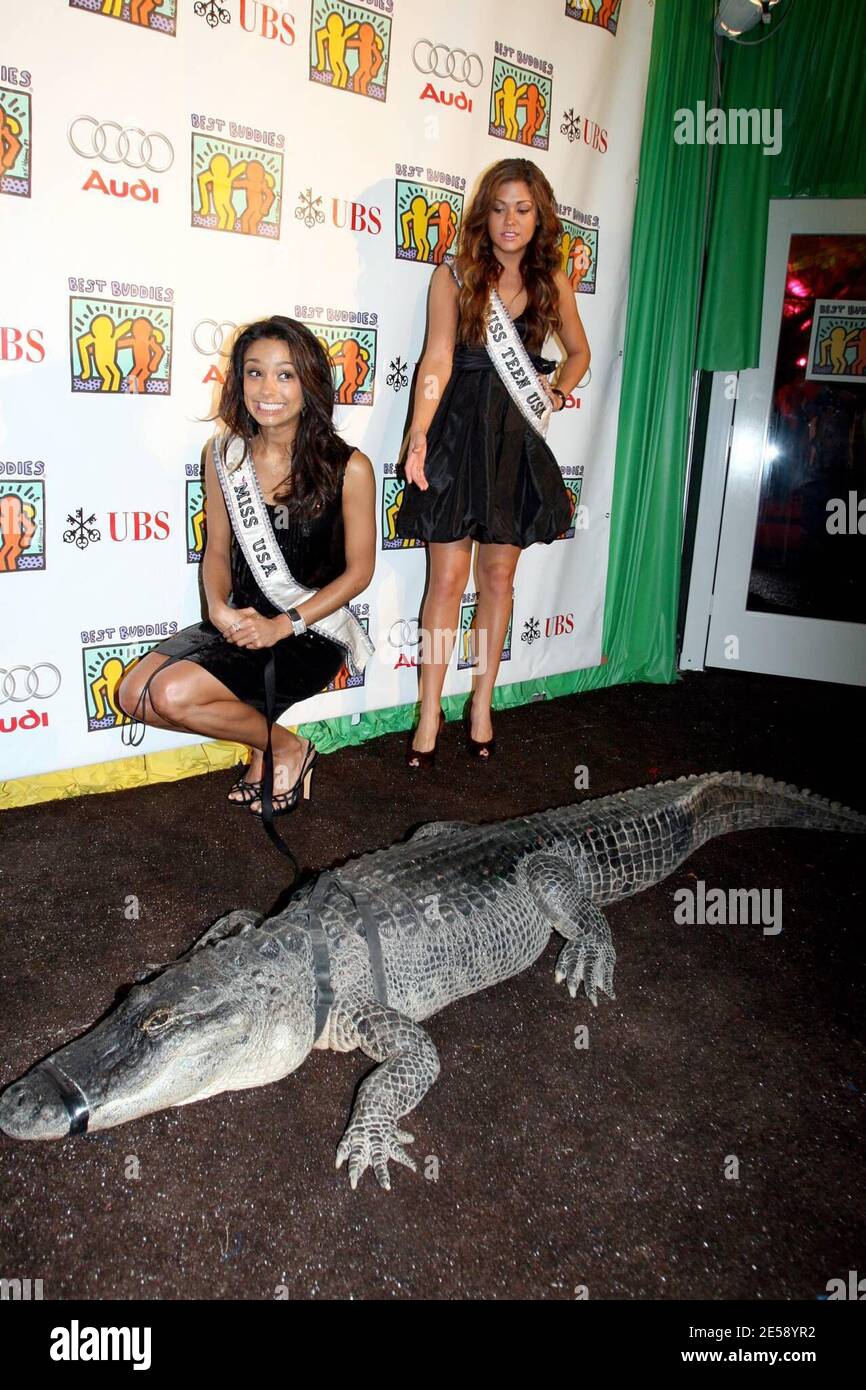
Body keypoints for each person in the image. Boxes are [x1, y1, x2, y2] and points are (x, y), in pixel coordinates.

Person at [117, 316, 376, 837]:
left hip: (307, 633)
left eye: (285, 375)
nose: (267, 390)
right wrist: (218, 608)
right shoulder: (224, 456)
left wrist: (282, 626)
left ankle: (282, 747)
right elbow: (216, 552)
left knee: (170, 696)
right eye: (254, 373)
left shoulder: (350, 467)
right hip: (239, 623)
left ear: (310, 383)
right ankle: (279, 743)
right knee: (134, 694)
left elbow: (360, 573)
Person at [395, 157, 590, 766]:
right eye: (500, 207)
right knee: (445, 583)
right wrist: (420, 433)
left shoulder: (552, 280)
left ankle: (482, 701)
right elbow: (436, 361)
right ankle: (430, 709)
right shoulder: (453, 275)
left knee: (498, 579)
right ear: (486, 212)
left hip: (513, 440)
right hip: (456, 433)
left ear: (540, 217)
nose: (510, 221)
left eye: (523, 209)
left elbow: (579, 353)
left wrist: (556, 388)